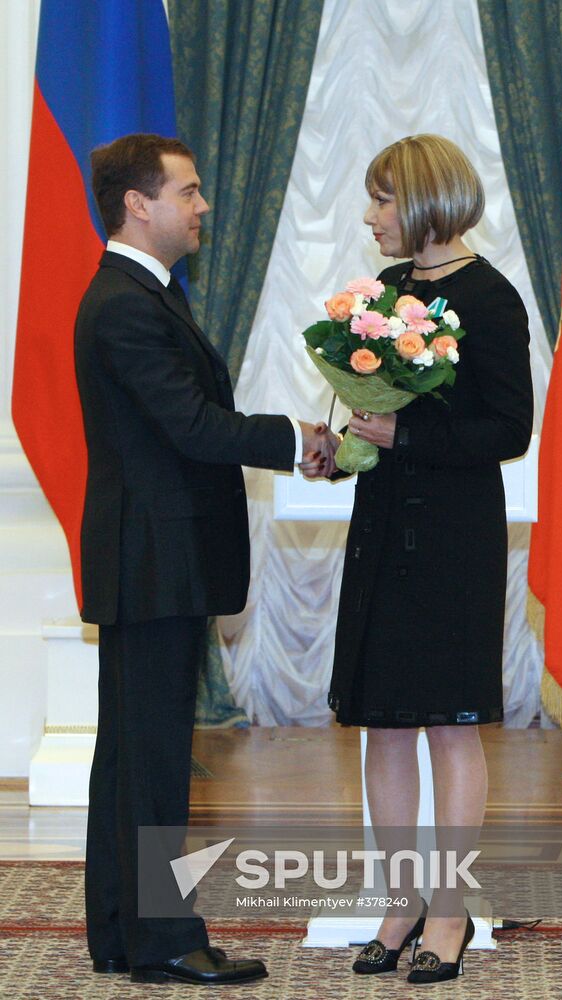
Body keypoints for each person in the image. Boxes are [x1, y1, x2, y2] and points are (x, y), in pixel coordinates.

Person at [75, 132, 335, 986]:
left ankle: (121, 931)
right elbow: (193, 427)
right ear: (137, 205)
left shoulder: (142, 294)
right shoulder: (123, 303)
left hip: (152, 558)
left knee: (131, 755)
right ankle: (163, 942)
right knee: (148, 761)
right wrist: (296, 438)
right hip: (155, 561)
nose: (203, 205)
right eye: (187, 191)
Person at [304, 134, 533, 984]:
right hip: (381, 526)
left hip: (453, 536)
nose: (370, 218)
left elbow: (509, 431)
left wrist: (409, 433)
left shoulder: (491, 297)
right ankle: (399, 903)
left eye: (383, 200)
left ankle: (449, 909)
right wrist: (342, 449)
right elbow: (363, 403)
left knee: (447, 722)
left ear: (430, 202)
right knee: (385, 721)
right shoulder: (386, 294)